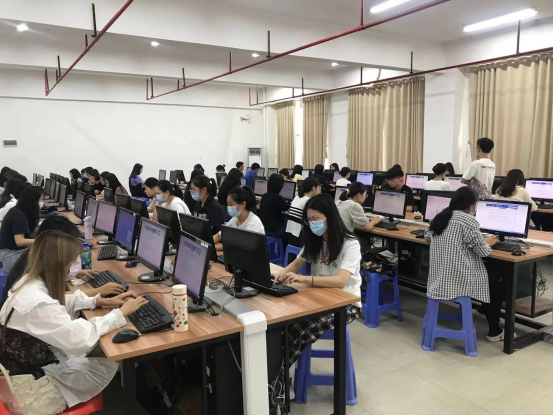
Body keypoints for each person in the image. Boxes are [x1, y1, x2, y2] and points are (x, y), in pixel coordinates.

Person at [0, 230, 147, 409]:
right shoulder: (36, 304)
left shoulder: (29, 282)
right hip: (32, 389)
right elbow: (81, 340)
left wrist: (99, 301)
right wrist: (119, 314)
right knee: (113, 347)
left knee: (106, 342)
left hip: (28, 367)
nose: (72, 269)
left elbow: (56, 304)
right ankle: (134, 399)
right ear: (58, 264)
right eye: (71, 264)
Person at [274, 193, 361, 364]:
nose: (312, 223)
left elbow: (341, 280)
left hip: (345, 303)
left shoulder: (350, 244)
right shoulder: (315, 240)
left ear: (330, 218)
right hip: (318, 296)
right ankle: (277, 368)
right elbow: (297, 263)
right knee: (284, 322)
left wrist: (305, 279)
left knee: (301, 328)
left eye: (316, 219)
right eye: (309, 220)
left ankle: (279, 370)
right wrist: (281, 274)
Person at [424, 187, 502, 341]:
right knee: (496, 280)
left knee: (492, 276)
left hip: (437, 278)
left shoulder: (440, 217)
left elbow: (428, 238)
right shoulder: (468, 220)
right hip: (457, 280)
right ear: (472, 206)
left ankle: (484, 309)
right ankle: (494, 329)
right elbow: (483, 252)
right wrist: (487, 242)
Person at [1, 215, 127, 308]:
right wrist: (98, 291)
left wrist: (70, 272)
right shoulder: (29, 267)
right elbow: (56, 298)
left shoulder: (36, 256)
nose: (73, 259)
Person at [0, 186, 42, 272]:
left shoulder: (18, 211)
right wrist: (42, 240)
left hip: (12, 253)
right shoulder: (19, 216)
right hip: (11, 257)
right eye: (39, 201)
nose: (40, 204)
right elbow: (20, 241)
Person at [213, 186, 264, 253]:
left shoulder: (253, 222)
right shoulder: (234, 219)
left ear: (243, 204)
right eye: (227, 205)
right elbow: (219, 235)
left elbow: (241, 247)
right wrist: (207, 242)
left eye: (231, 205)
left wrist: (213, 247)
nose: (228, 207)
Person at [285, 177, 319, 247]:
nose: (318, 191)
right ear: (313, 188)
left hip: (290, 235)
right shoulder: (308, 201)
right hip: (299, 238)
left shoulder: (297, 197)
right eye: (317, 189)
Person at [259, 174, 289, 238]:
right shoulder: (279, 198)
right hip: (275, 231)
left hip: (263, 229)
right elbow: (288, 210)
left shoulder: (264, 196)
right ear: (280, 186)